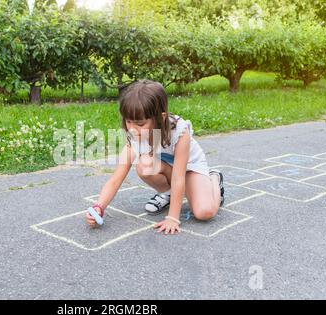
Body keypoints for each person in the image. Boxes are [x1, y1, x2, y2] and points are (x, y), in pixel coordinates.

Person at [85, 80, 224, 235]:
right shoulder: (133, 136)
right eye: (128, 121)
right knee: (145, 165)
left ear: (160, 117)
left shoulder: (179, 132)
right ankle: (168, 193)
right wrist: (99, 207)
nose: (132, 128)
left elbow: (179, 177)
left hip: (190, 169)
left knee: (205, 212)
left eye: (140, 123)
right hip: (167, 170)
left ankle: (214, 179)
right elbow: (115, 179)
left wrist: (172, 218)